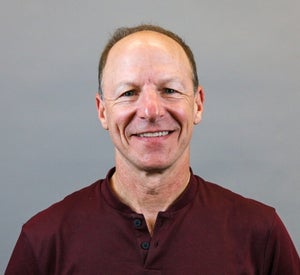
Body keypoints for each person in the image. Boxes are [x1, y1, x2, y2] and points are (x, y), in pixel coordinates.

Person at [5, 24, 300, 274]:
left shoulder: (261, 233)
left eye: (169, 90)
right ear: (102, 111)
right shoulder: (44, 240)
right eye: (129, 93)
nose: (150, 110)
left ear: (197, 104)